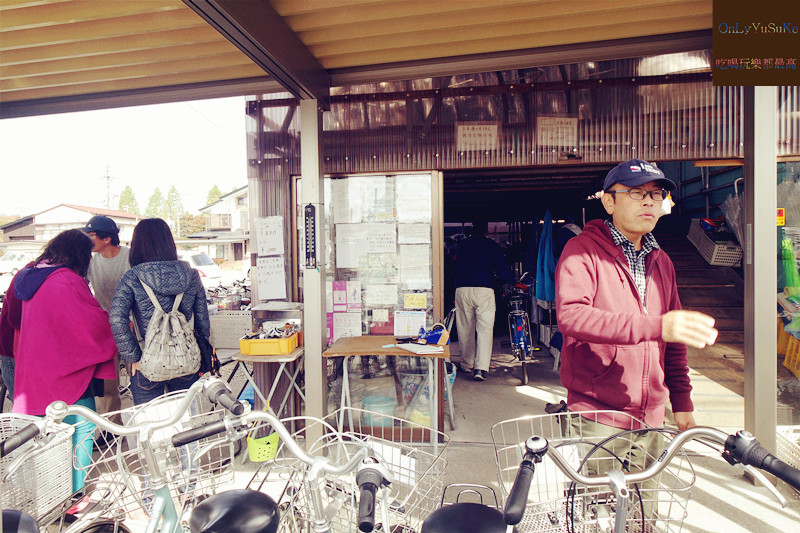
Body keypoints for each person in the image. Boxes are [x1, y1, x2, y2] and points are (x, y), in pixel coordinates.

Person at [555, 159, 718, 513]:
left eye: (656, 194)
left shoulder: (662, 260)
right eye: (635, 193)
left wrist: (682, 400)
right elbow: (572, 316)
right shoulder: (582, 251)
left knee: (643, 515)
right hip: (599, 414)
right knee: (595, 515)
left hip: (652, 416)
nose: (648, 201)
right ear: (609, 202)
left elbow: (672, 342)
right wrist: (656, 326)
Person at [11, 229, 118, 492]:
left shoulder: (27, 277)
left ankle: (43, 492)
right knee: (81, 429)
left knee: (41, 436)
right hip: (66, 372)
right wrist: (114, 321)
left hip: (33, 367)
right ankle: (73, 492)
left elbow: (15, 321)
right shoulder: (66, 280)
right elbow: (91, 323)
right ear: (79, 255)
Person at [109, 218, 210, 405]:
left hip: (147, 361)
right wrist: (203, 353)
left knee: (150, 425)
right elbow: (203, 319)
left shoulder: (132, 277)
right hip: (185, 358)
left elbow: (116, 318)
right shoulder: (192, 275)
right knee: (185, 421)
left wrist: (133, 357)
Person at [81, 215, 130, 424]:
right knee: (107, 385)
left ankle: (145, 429)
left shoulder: (130, 257)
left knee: (139, 378)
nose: (87, 240)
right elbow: (80, 289)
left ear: (107, 238)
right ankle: (111, 429)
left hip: (131, 326)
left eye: (91, 235)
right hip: (105, 328)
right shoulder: (90, 262)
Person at [453, 219, 516, 381]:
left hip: (462, 289)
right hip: (484, 289)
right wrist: (512, 280)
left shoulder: (461, 245)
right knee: (485, 329)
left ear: (471, 230)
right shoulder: (491, 245)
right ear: (486, 232)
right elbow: (502, 270)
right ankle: (480, 368)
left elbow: (452, 264)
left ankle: (466, 364)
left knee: (465, 328)